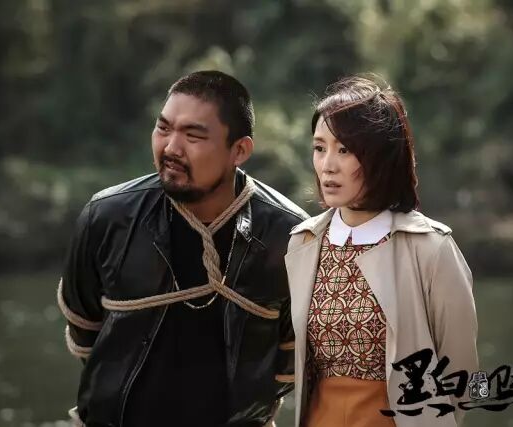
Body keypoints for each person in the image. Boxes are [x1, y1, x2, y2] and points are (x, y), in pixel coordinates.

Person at [57, 70, 308, 427]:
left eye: (193, 135)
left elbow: (292, 355)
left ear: (239, 150)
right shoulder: (107, 217)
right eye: (163, 128)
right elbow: (84, 329)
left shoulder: (288, 235)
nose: (171, 148)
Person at [285, 76, 478, 427]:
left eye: (345, 150)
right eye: (319, 148)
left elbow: (462, 374)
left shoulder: (431, 248)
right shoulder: (304, 242)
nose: (328, 165)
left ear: (381, 157)